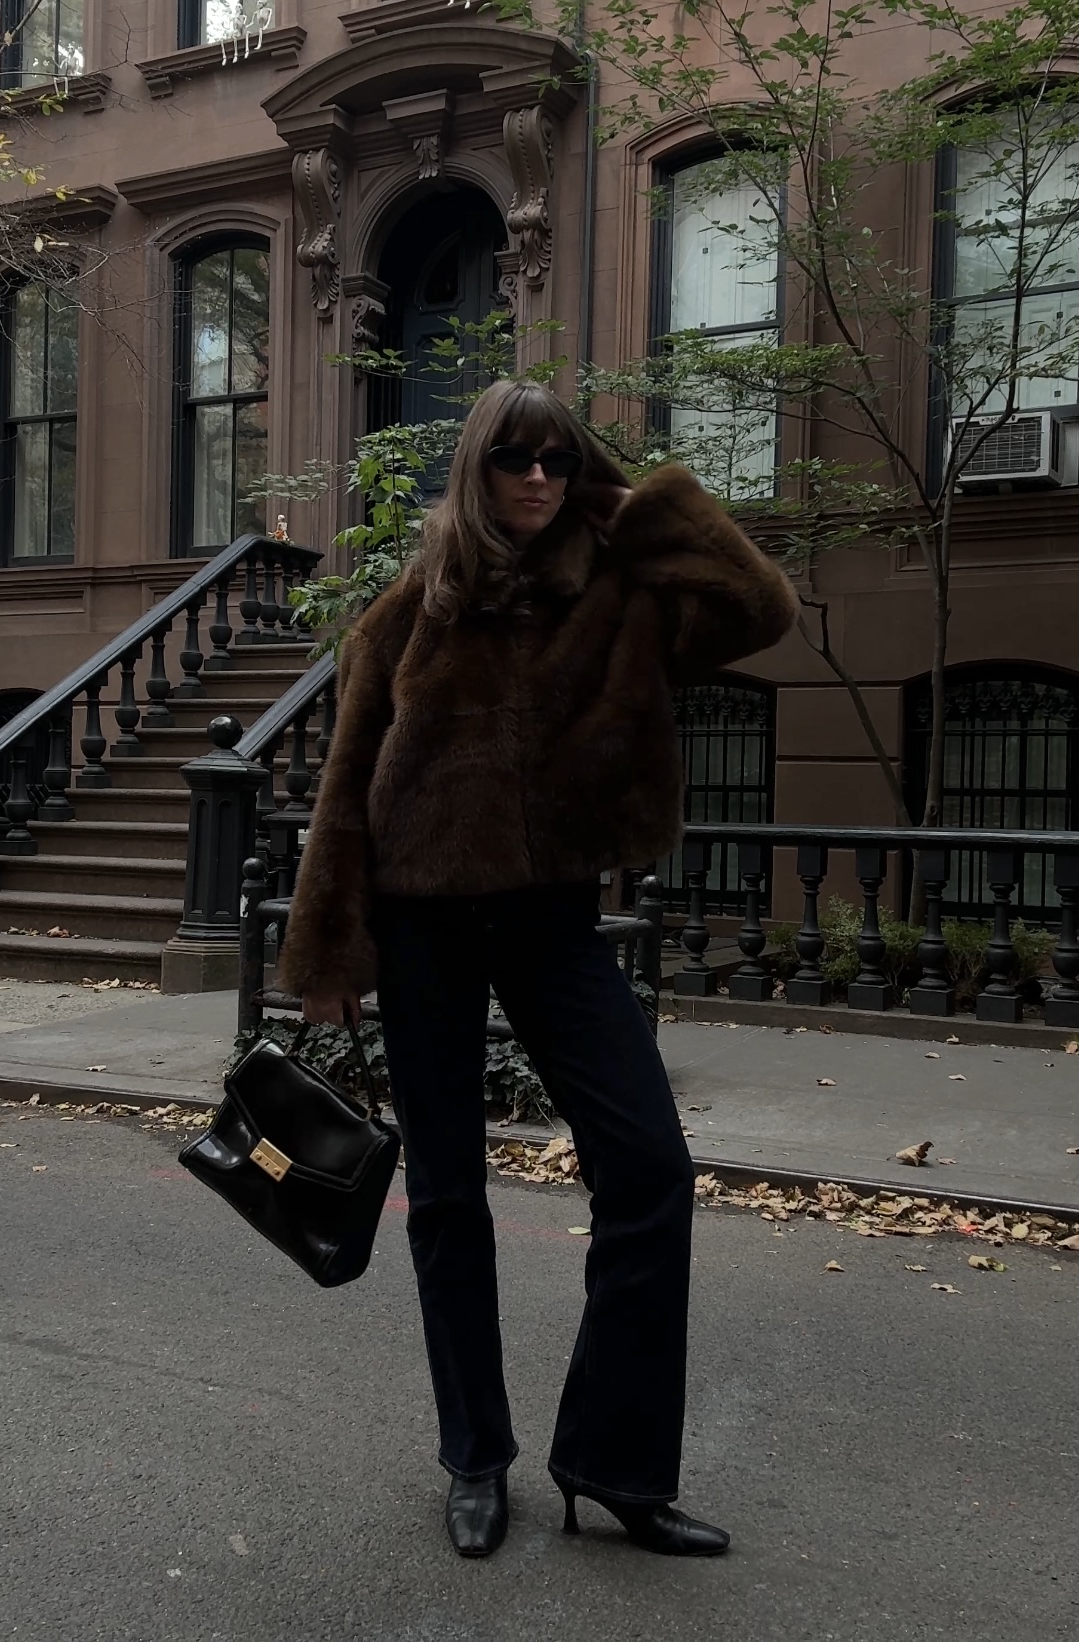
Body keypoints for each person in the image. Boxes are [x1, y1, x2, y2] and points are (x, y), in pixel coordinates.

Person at [279, 380, 797, 1560]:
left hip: (556, 923)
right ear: (478, 466)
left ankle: (611, 1464)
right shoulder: (410, 611)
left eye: (559, 460)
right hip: (424, 931)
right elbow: (346, 793)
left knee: (652, 1169)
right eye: (514, 457)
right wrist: (327, 955)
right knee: (451, 1198)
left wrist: (637, 499)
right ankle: (476, 1455)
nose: (537, 478)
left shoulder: (618, 589)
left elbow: (758, 607)